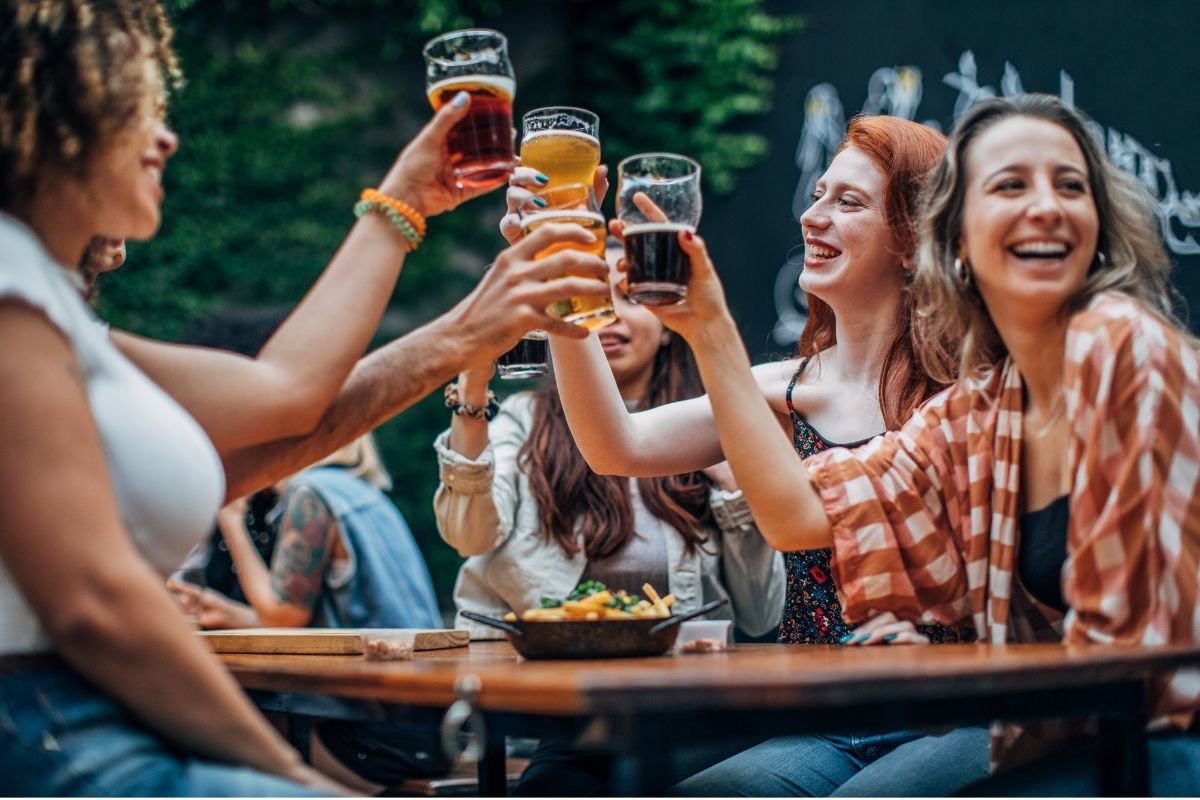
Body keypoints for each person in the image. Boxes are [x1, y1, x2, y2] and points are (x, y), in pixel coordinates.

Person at [0, 0, 608, 794]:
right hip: (55, 736)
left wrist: (411, 219)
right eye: (138, 107)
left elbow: (283, 401)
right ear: (50, 118)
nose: (167, 137)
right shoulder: (14, 290)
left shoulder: (48, 312)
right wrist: (291, 775)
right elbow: (94, 603)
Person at [655, 93, 1200, 793]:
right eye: (1010, 185)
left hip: (1154, 742)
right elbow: (799, 518)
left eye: (1071, 185)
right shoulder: (986, 409)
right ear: (957, 239)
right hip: (1048, 727)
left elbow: (1128, 654)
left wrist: (944, 670)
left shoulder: (1123, 347)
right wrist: (708, 331)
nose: (1047, 205)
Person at [550, 117, 989, 795]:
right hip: (822, 718)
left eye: (848, 202)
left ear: (913, 239)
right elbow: (616, 445)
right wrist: (567, 293)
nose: (813, 216)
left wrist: (709, 330)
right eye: (817, 195)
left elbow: (807, 518)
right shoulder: (782, 390)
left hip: (959, 712)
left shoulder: (969, 399)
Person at [434, 238, 784, 640]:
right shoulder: (527, 420)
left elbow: (761, 613)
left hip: (674, 675)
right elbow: (468, 536)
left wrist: (734, 487)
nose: (607, 316)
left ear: (669, 326)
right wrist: (473, 387)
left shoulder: (708, 426)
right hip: (528, 668)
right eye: (587, 298)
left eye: (629, 298)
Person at [175, 433, 445, 794]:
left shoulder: (310, 493)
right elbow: (325, 623)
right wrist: (227, 612)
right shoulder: (360, 493)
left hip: (375, 731)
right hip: (426, 723)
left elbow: (282, 616)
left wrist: (232, 521)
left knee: (216, 725)